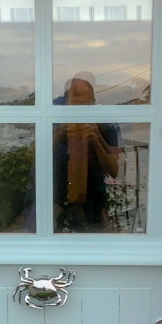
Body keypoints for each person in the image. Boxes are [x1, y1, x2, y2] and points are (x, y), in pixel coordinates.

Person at [53, 72, 120, 232]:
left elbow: (114, 171)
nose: (79, 110)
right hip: (57, 200)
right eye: (75, 103)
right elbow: (36, 156)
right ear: (67, 101)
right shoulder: (55, 121)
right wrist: (61, 132)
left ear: (93, 102)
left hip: (94, 200)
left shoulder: (106, 127)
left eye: (84, 105)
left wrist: (95, 138)